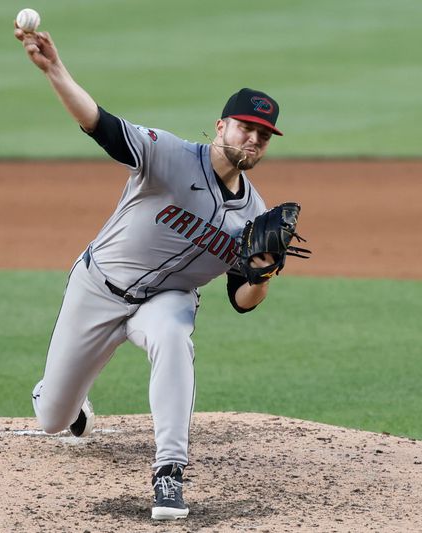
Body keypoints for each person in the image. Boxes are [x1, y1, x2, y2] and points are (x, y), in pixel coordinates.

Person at [15, 24, 284, 521]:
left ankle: (169, 473)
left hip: (168, 300)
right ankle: (66, 401)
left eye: (263, 135)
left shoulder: (255, 216)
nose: (253, 139)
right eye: (246, 127)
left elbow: (240, 298)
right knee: (52, 419)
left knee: (174, 337)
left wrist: (263, 273)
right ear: (221, 126)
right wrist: (55, 69)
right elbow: (100, 124)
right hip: (98, 288)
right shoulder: (167, 153)